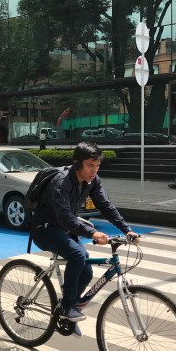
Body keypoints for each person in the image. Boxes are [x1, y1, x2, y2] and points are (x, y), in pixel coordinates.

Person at [31, 142, 140, 338]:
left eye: (97, 166)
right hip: (45, 228)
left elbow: (106, 206)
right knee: (77, 255)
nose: (94, 170)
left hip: (66, 228)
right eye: (90, 165)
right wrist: (92, 233)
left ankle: (69, 308)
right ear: (77, 164)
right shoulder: (61, 181)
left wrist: (127, 230)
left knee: (87, 271)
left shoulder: (92, 181)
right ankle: (66, 308)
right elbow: (64, 216)